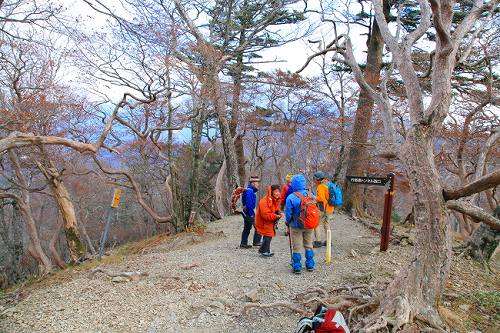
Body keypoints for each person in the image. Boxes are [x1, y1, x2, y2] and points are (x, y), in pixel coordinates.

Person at [285, 174, 315, 274]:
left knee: (297, 246)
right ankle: (310, 264)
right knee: (309, 244)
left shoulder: (291, 197)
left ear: (293, 184)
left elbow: (288, 213)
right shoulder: (311, 195)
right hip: (309, 224)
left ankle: (297, 266)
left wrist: (288, 222)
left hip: (296, 225)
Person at [255, 185, 283, 257]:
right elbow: (266, 215)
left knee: (269, 235)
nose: (278, 193)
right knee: (268, 235)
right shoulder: (264, 201)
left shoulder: (274, 200)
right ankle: (264, 251)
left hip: (269, 222)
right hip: (264, 222)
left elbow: (275, 208)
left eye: (279, 191)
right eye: (276, 191)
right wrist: (276, 216)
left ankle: (264, 250)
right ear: (271, 192)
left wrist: (279, 212)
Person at [312, 171, 334, 248]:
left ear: (318, 179)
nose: (314, 180)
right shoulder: (328, 184)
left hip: (323, 208)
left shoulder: (321, 186)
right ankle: (329, 241)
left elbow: (321, 198)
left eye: (315, 179)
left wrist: (314, 197)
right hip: (330, 207)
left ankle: (318, 241)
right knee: (326, 224)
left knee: (316, 223)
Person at [240, 175, 262, 248]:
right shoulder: (250, 191)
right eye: (257, 182)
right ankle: (256, 242)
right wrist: (251, 214)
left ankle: (243, 243)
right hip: (249, 213)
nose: (258, 184)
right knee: (259, 226)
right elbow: (249, 204)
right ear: (253, 183)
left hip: (246, 213)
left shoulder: (249, 190)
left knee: (247, 228)